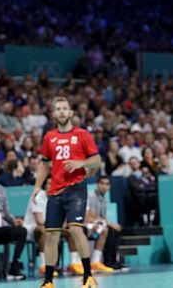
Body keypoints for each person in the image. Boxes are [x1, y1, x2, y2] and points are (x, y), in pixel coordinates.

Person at [32, 97, 101, 288]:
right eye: (58, 109)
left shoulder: (82, 135)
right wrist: (37, 186)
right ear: (53, 114)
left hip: (76, 188)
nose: (61, 112)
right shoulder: (49, 137)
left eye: (64, 108)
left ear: (71, 112)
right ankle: (48, 281)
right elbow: (45, 165)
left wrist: (82, 163)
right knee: (51, 234)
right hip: (55, 190)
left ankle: (88, 276)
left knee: (76, 229)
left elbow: (97, 161)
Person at [85, 176, 121, 272]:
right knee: (108, 230)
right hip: (89, 224)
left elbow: (103, 217)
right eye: (102, 183)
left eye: (107, 184)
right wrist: (109, 224)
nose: (104, 186)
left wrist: (110, 223)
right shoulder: (92, 196)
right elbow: (91, 216)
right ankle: (105, 262)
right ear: (97, 184)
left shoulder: (103, 199)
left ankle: (112, 261)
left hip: (98, 223)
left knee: (115, 230)